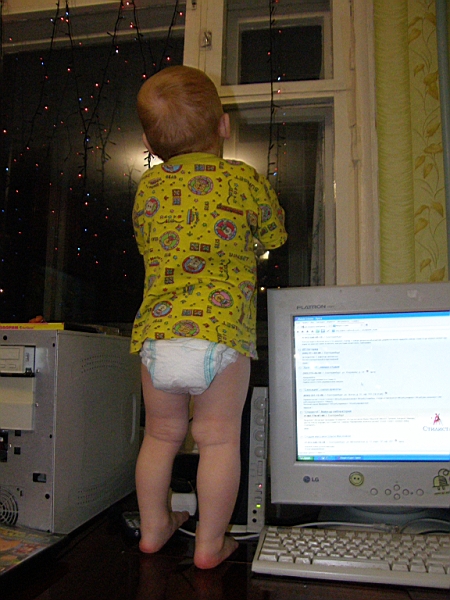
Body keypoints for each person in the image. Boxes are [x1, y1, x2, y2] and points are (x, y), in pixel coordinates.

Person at [131, 65, 287, 569]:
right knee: (217, 439)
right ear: (223, 126)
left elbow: (146, 244)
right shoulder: (242, 178)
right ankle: (209, 544)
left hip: (158, 336)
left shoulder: (148, 187)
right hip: (220, 334)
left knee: (160, 436)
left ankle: (153, 528)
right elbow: (275, 235)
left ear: (149, 144)